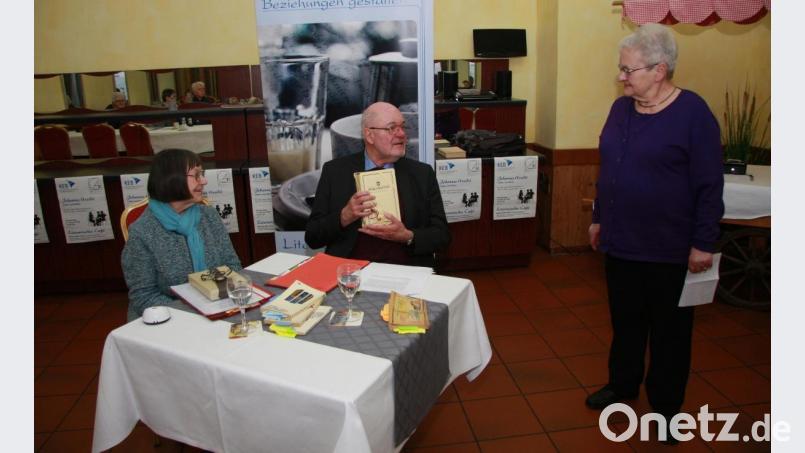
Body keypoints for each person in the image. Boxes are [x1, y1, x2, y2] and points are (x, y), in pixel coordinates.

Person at [585, 24, 724, 444]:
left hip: (670, 250)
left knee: (670, 335)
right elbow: (608, 170)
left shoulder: (693, 114)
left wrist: (704, 242)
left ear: (659, 69)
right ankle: (622, 386)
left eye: (629, 70)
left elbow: (708, 185)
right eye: (621, 70)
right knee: (625, 324)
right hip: (621, 243)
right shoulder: (621, 109)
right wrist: (598, 217)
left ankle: (665, 411)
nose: (622, 77)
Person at [305, 102, 450, 267]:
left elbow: (442, 237)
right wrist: (344, 216)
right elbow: (312, 237)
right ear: (369, 135)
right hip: (351, 273)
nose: (401, 134)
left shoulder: (422, 174)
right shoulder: (335, 172)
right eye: (391, 128)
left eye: (403, 127)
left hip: (406, 272)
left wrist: (407, 236)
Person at [121, 149, 242, 321]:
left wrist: (219, 305)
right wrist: (196, 311)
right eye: (197, 175)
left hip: (218, 306)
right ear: (172, 179)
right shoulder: (143, 232)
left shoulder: (208, 216)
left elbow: (232, 266)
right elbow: (144, 297)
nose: (204, 181)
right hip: (167, 319)